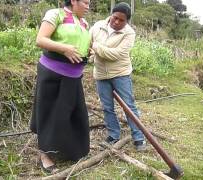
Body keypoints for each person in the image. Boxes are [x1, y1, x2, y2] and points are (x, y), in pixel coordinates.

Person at [30, 0, 91, 173]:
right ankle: (45, 155)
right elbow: (41, 40)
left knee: (72, 114)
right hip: (53, 73)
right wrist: (64, 48)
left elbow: (80, 44)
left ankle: (70, 151)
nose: (88, 6)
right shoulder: (56, 15)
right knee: (49, 114)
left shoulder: (83, 22)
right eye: (85, 2)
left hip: (73, 76)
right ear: (73, 1)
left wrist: (89, 50)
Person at [89, 2, 146, 151]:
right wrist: (90, 52)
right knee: (107, 107)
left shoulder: (129, 33)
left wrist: (96, 47)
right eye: (115, 18)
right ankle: (113, 135)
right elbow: (87, 44)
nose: (117, 22)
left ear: (127, 21)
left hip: (120, 74)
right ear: (111, 15)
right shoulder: (97, 26)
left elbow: (116, 55)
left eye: (122, 20)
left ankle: (139, 138)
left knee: (129, 106)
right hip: (101, 74)